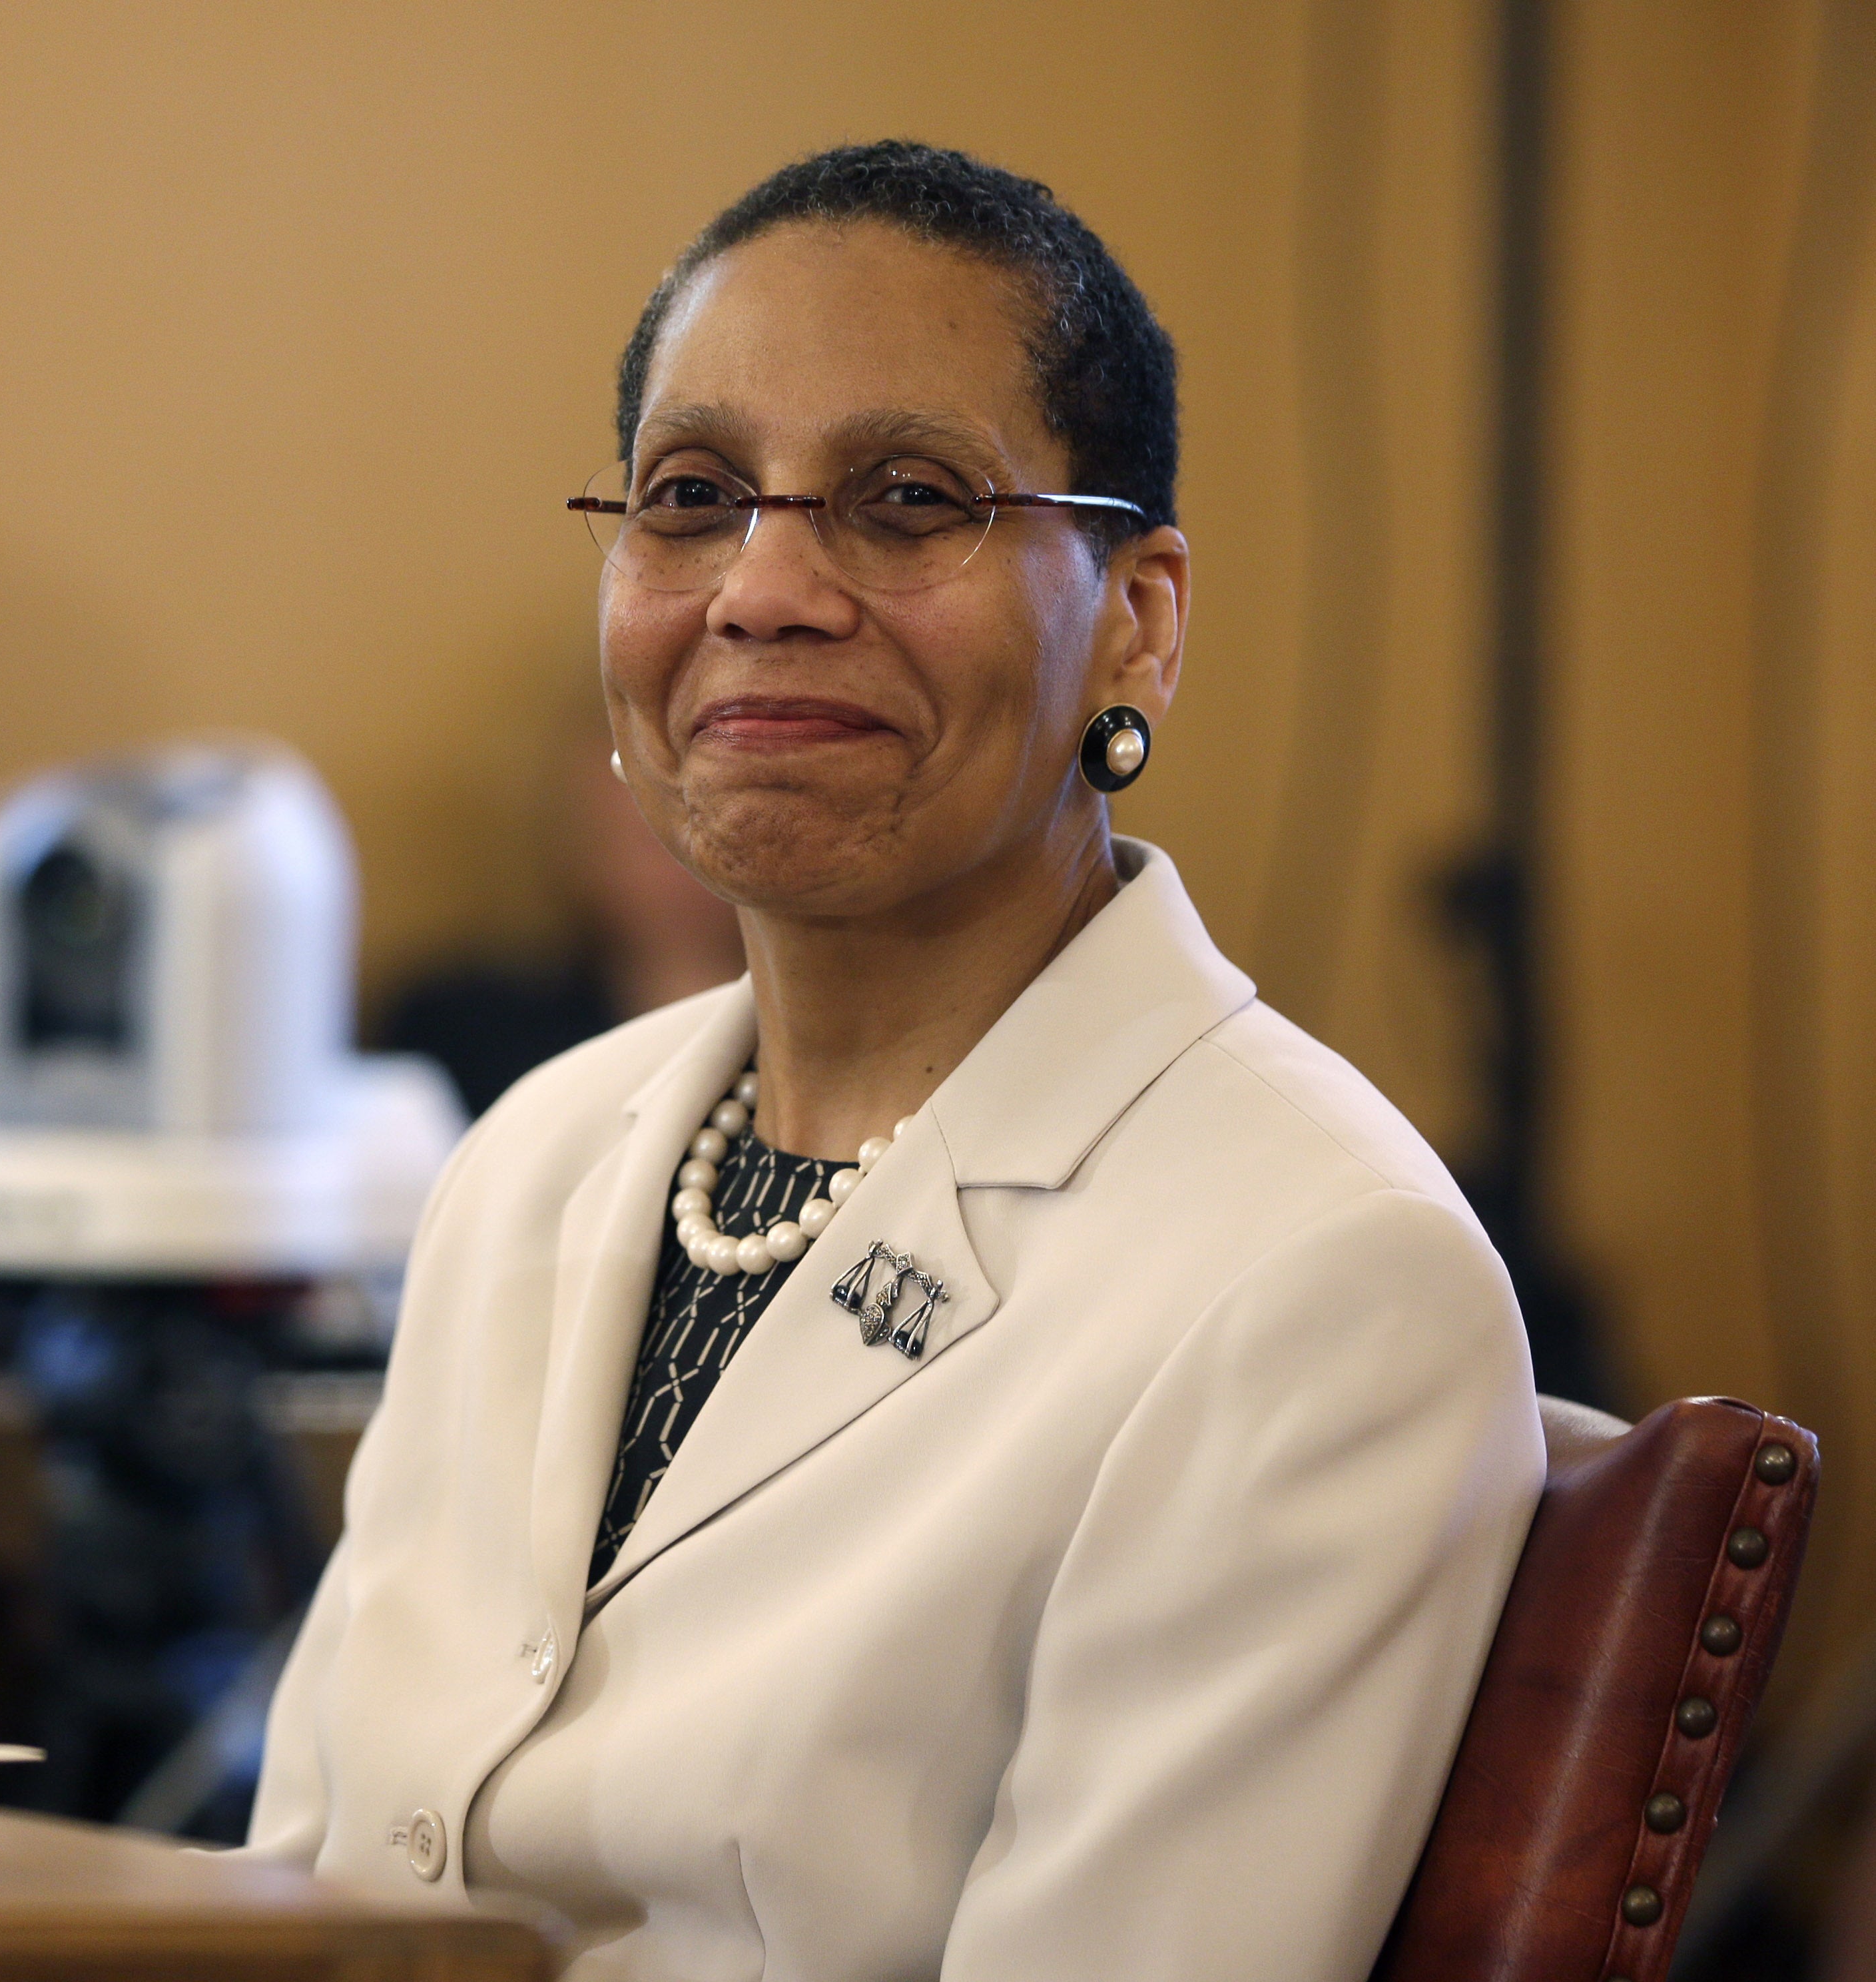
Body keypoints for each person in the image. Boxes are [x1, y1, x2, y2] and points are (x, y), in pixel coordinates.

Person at [245, 143, 1544, 1981]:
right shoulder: (529, 1157)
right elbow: (290, 1888)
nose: (762, 587)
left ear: (1138, 621)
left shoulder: (1322, 1278)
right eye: (690, 497)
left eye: (908, 498)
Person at [381, 721, 746, 1117]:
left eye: (716, 829)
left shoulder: (789, 1045)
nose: (687, 863)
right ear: (581, 852)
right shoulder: (465, 1029)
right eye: (650, 839)